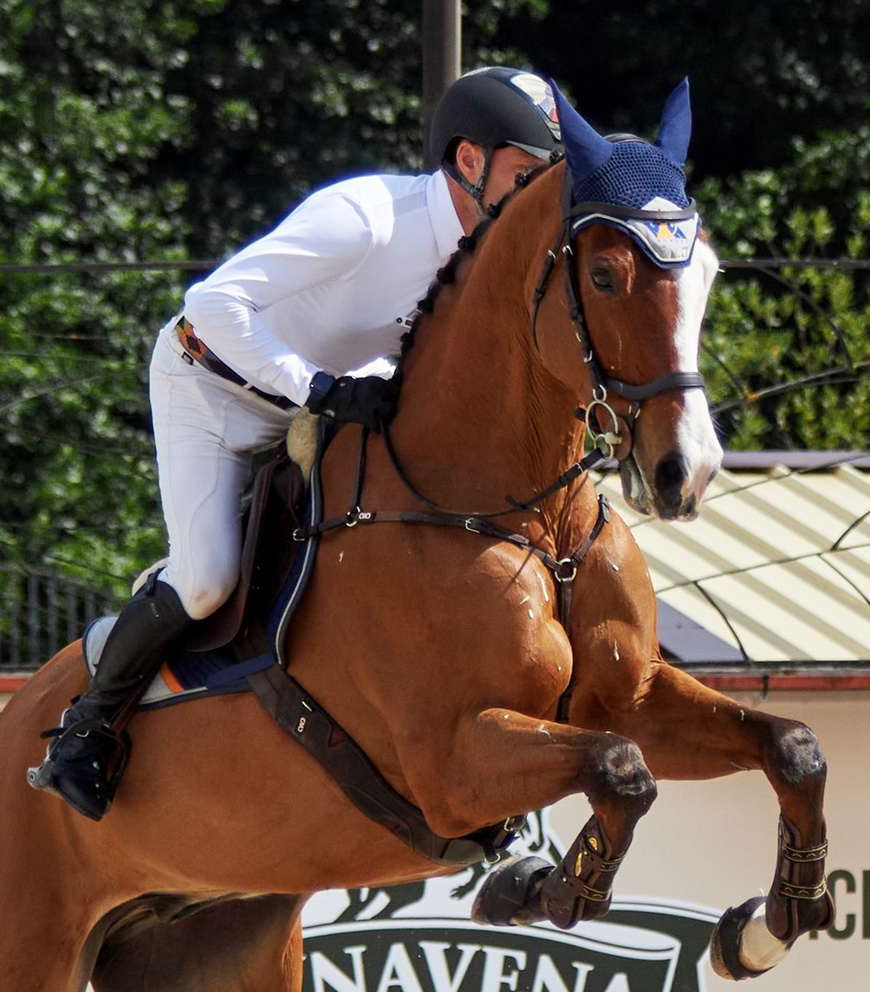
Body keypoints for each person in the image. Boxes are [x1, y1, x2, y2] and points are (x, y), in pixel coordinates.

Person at [28, 67, 566, 820]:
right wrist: (316, 388)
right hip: (210, 384)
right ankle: (85, 728)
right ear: (469, 161)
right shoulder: (367, 216)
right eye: (526, 173)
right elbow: (212, 304)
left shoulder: (486, 256)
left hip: (316, 398)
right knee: (210, 575)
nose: (539, 194)